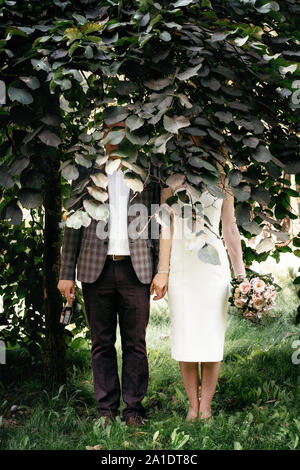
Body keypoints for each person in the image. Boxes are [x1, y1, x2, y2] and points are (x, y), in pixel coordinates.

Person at [57, 121, 160, 427]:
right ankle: (106, 410)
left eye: (121, 130)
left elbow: (156, 221)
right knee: (101, 342)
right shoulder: (85, 172)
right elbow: (73, 225)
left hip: (135, 269)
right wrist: (65, 273)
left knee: (135, 343)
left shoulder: (147, 169)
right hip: (94, 269)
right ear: (102, 136)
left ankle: (133, 410)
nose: (116, 137)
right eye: (111, 130)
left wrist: (160, 269)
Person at [150, 162, 247, 422]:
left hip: (213, 270)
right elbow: (165, 229)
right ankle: (193, 406)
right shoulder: (171, 182)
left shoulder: (223, 182)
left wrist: (242, 277)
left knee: (211, 339)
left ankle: (206, 406)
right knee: (186, 337)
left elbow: (230, 229)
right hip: (181, 268)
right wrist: (163, 272)